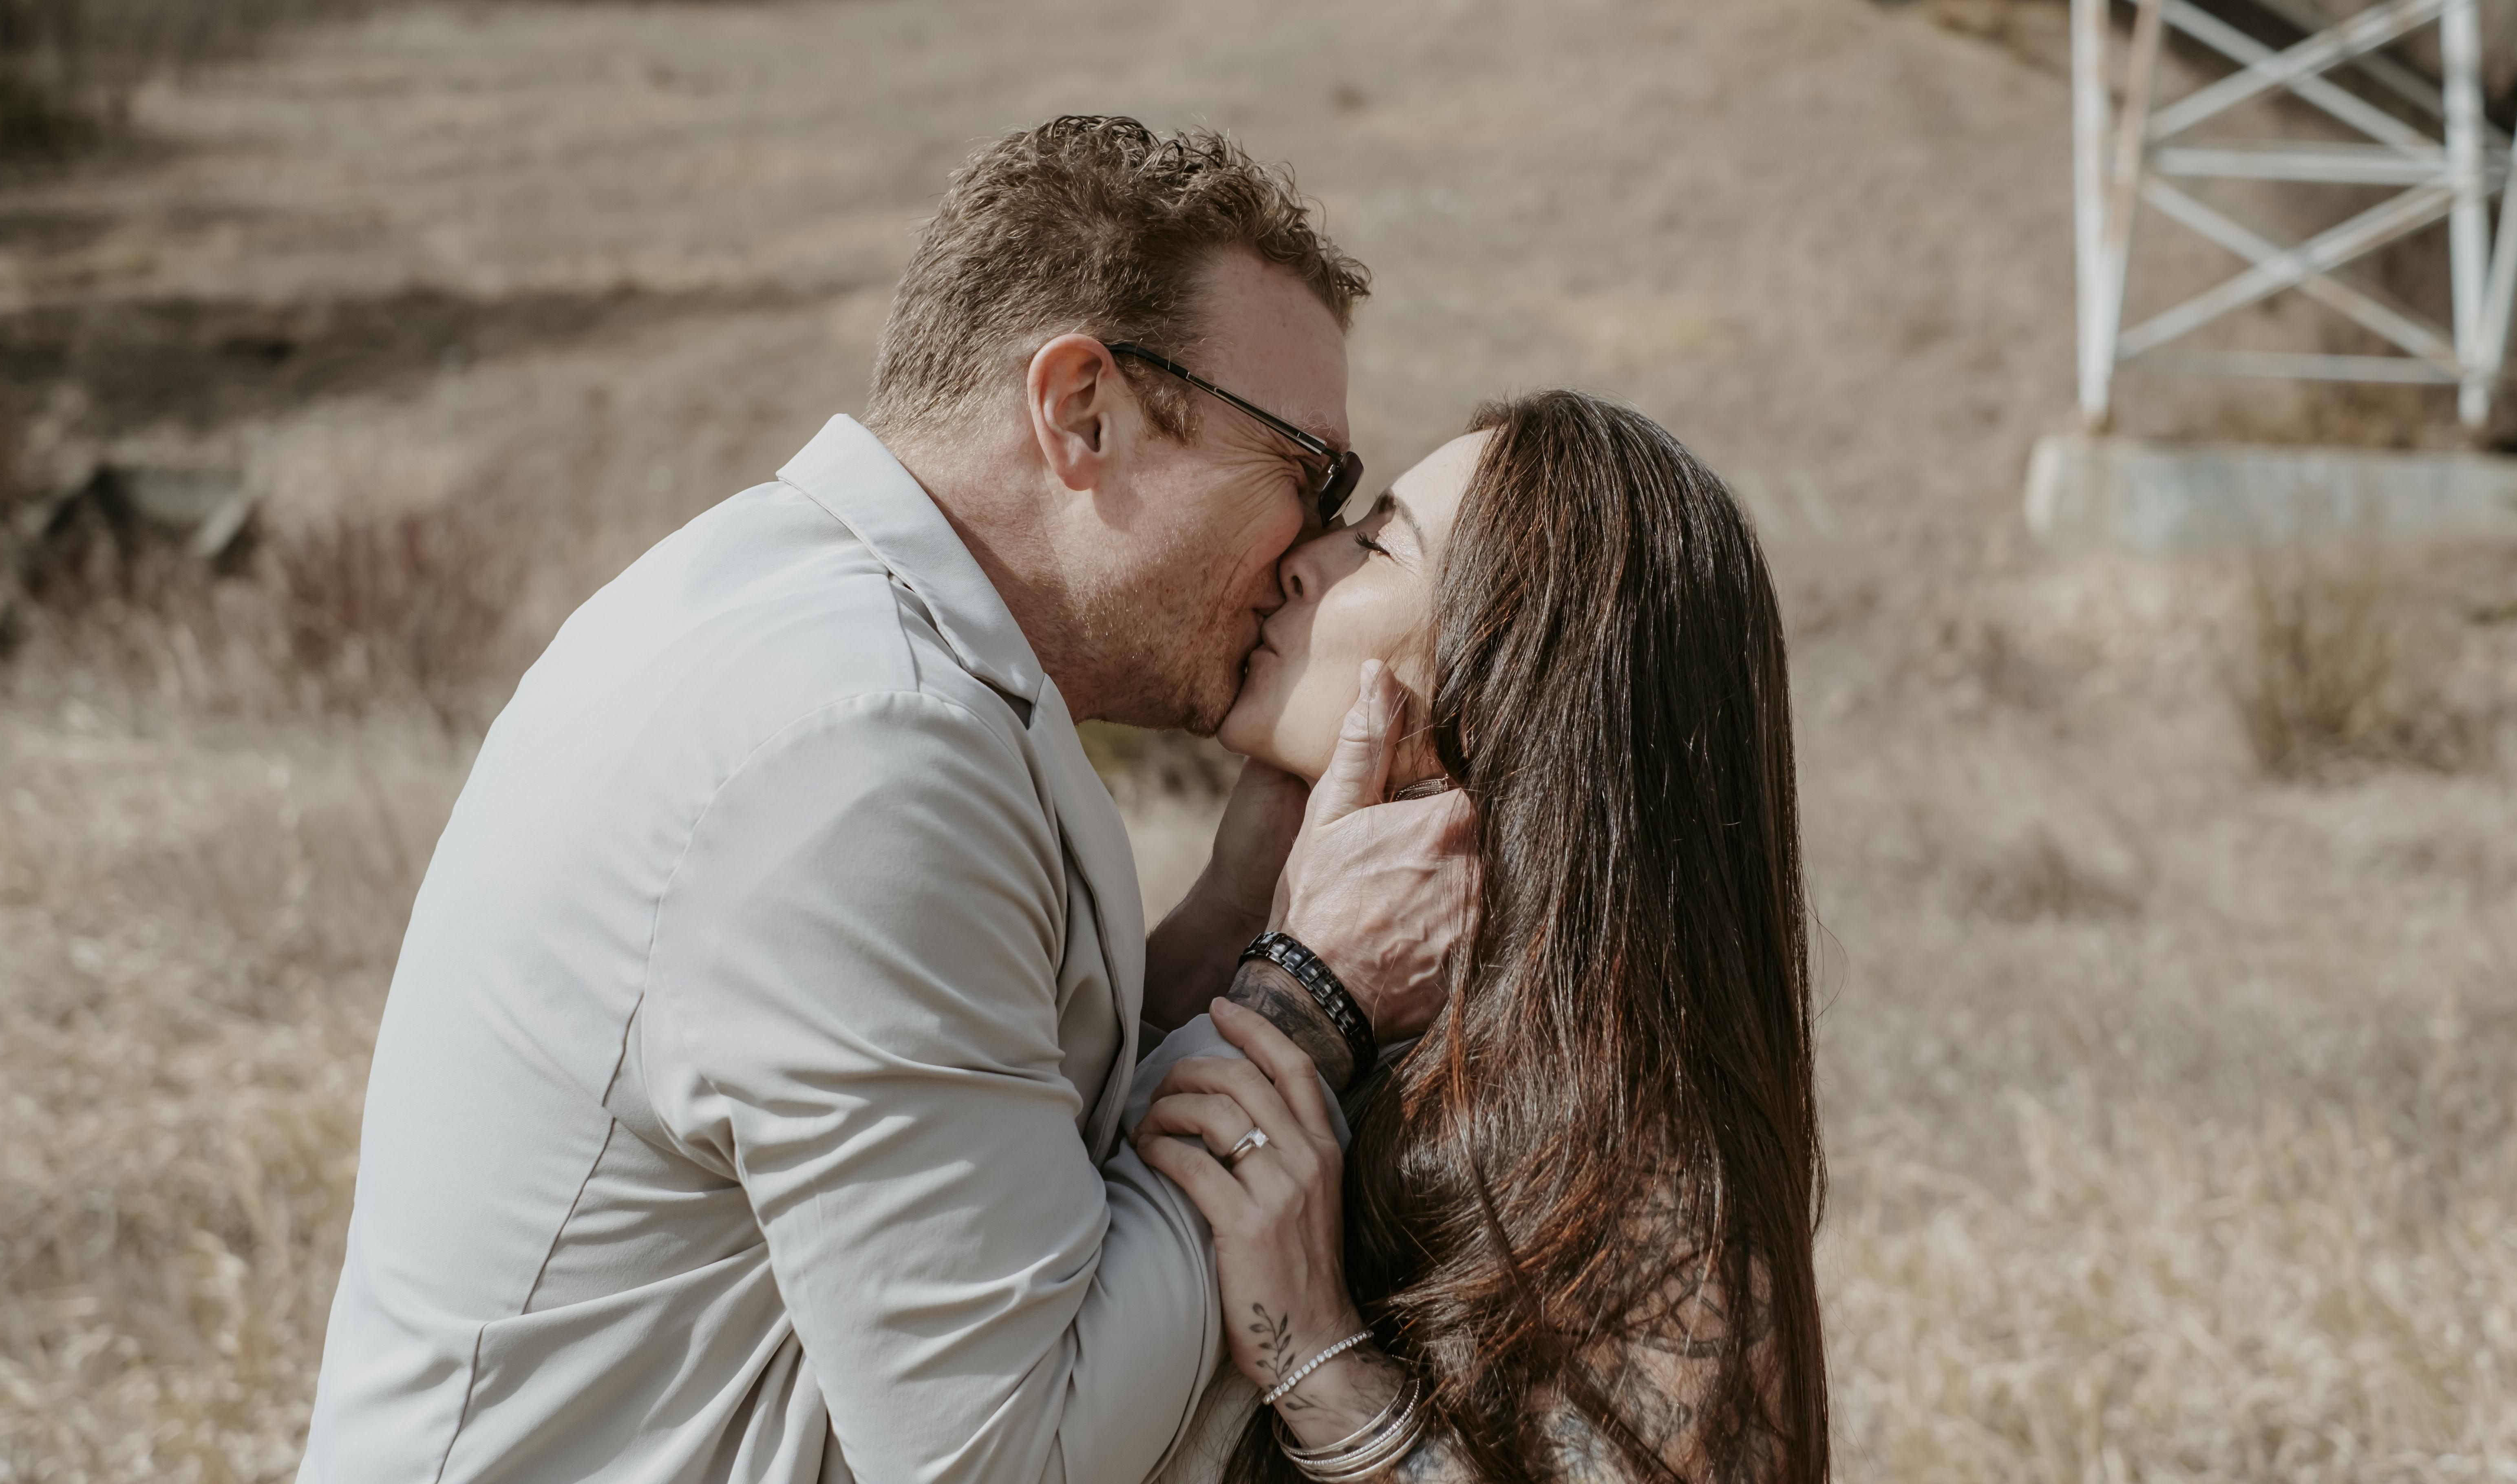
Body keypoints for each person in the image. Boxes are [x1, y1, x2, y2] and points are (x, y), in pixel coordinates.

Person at [295, 116, 1474, 1482]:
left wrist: (1231, 921)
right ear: (1082, 410)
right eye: (1310, 472)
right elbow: (1012, 1454)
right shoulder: (865, 749)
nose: (1317, 546)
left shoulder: (798, 616)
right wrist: (1311, 998)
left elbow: (999, 1137)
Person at [1132, 391, 1830, 1483]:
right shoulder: (1309, 971)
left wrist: (1324, 1367)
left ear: (1514, 690)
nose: (1301, 561)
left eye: (1378, 545)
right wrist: (1233, 920)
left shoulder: (1632, 1181)